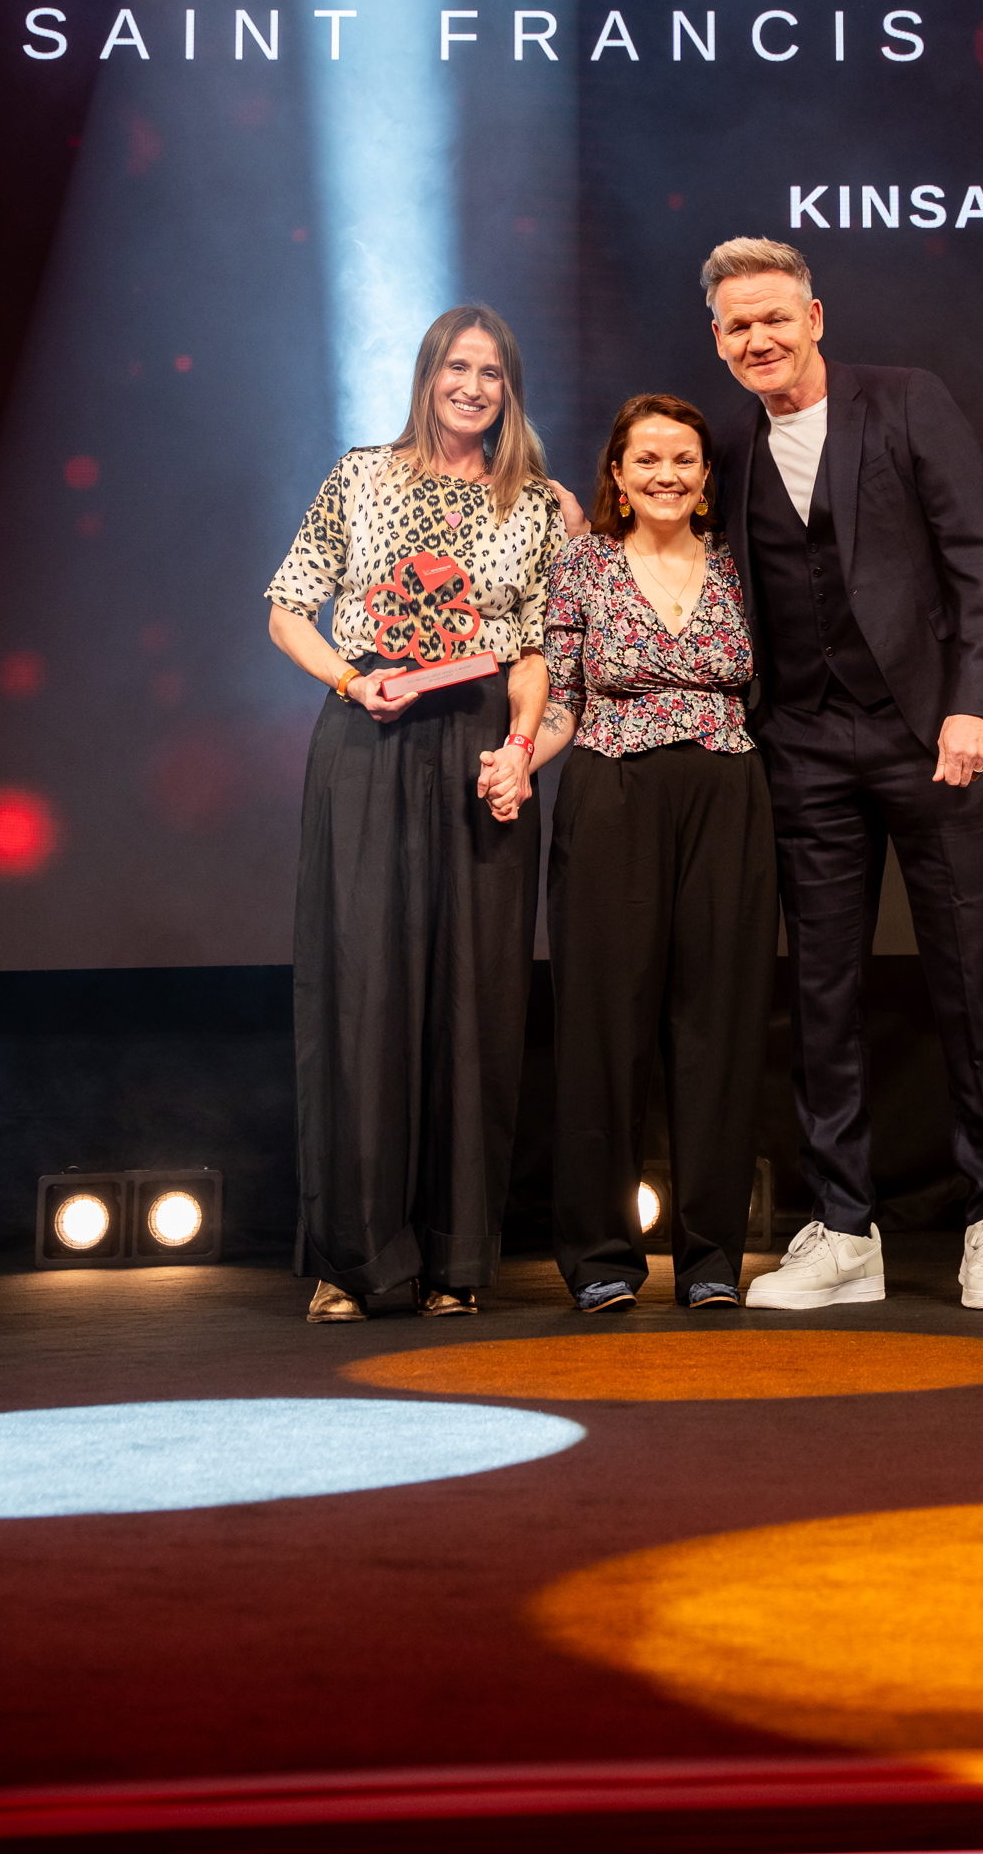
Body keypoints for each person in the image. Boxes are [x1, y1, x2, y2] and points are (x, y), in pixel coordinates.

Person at [703, 235, 983, 1311]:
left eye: (771, 316)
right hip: (802, 746)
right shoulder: (730, 446)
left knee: (968, 983)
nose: (757, 337)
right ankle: (844, 1230)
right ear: (719, 344)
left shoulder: (904, 402)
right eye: (735, 325)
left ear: (813, 317)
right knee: (820, 994)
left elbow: (974, 559)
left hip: (928, 739)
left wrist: (973, 700)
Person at [266, 304, 582, 1322]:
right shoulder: (359, 475)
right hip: (371, 731)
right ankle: (351, 1261)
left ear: (509, 390)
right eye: (458, 366)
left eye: (492, 372)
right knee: (363, 989)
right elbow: (287, 606)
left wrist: (518, 752)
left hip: (479, 741)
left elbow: (535, 647)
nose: (472, 386)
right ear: (427, 374)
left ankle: (456, 1264)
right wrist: (352, 682)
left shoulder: (533, 505)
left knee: (475, 997)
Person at [526, 392, 777, 1314]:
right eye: (648, 461)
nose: (667, 475)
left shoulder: (738, 569)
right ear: (619, 478)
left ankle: (710, 1256)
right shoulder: (582, 565)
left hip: (727, 794)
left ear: (707, 480)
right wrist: (520, 760)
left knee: (718, 1023)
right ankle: (599, 1258)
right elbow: (562, 696)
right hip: (612, 789)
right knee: (604, 1026)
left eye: (684, 460)